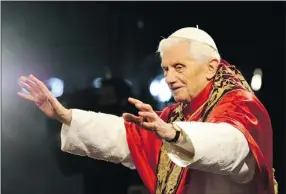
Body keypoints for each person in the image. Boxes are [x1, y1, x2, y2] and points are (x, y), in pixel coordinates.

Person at [18, 27, 277, 194]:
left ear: (210, 67)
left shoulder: (240, 104)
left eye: (179, 67)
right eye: (166, 69)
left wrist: (176, 136)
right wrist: (67, 115)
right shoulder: (177, 115)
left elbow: (233, 147)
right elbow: (130, 137)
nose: (169, 78)